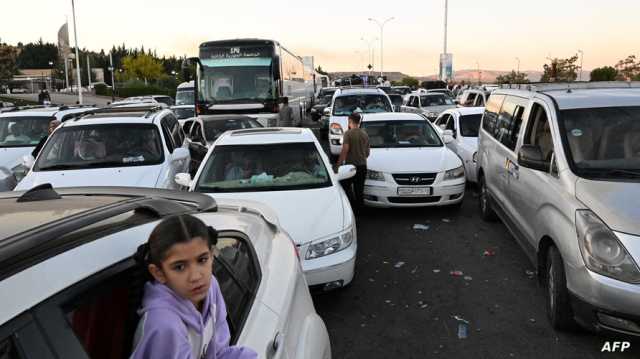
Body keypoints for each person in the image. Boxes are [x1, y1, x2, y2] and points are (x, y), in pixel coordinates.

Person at [131, 214, 257, 359]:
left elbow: (217, 352)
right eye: (179, 267)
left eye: (202, 260)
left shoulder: (211, 287)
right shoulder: (164, 326)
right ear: (159, 273)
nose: (196, 276)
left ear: (211, 255)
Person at [337, 112, 370, 212]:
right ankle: (360, 212)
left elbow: (345, 150)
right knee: (359, 191)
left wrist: (338, 165)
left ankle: (350, 209)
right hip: (362, 166)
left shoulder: (348, 133)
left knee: (344, 187)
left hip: (350, 167)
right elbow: (367, 153)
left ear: (350, 121)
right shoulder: (365, 134)